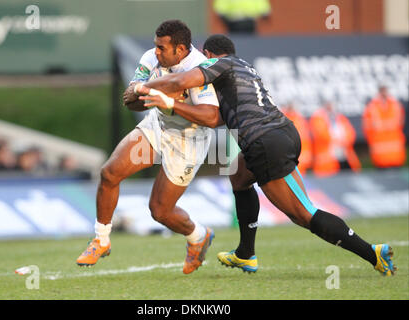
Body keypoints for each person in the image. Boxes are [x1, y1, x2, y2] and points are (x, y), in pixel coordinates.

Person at [135, 34, 396, 276]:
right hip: (276, 133)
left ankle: (372, 253)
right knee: (238, 176)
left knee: (303, 214)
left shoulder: (219, 64)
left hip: (265, 141)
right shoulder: (243, 67)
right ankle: (246, 254)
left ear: (209, 54)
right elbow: (217, 118)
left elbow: (180, 81)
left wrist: (143, 88)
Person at [76, 20, 220, 274]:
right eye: (156, 46)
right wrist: (148, 97)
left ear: (181, 49)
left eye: (162, 48)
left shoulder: (198, 69)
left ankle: (199, 236)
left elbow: (210, 117)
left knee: (160, 211)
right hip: (157, 125)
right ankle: (101, 239)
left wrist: (171, 103)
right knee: (109, 173)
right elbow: (131, 99)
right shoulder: (150, 58)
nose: (156, 52)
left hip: (188, 139)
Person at [310, 102, 361, 177]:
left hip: (345, 157)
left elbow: (350, 133)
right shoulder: (318, 118)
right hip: (328, 161)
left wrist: (344, 141)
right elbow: (322, 135)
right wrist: (337, 141)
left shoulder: (340, 117)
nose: (330, 107)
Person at [362, 85, 406, 168]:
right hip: (380, 153)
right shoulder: (372, 107)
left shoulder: (396, 105)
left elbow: (401, 124)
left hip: (396, 152)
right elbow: (367, 127)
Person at [281, 103, 312, 175]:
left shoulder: (299, 118)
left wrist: (307, 154)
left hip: (301, 155)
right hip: (289, 157)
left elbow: (305, 137)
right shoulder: (283, 118)